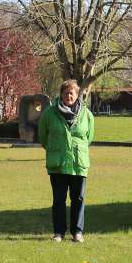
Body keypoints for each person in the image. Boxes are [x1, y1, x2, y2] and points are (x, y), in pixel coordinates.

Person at [37, 78, 94, 242]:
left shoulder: (87, 115)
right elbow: (43, 137)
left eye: (72, 93)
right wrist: (56, 149)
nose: (69, 95)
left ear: (77, 95)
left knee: (78, 199)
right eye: (66, 93)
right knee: (59, 200)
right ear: (61, 95)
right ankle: (59, 233)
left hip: (78, 163)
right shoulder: (49, 113)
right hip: (58, 164)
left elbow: (89, 137)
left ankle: (77, 232)